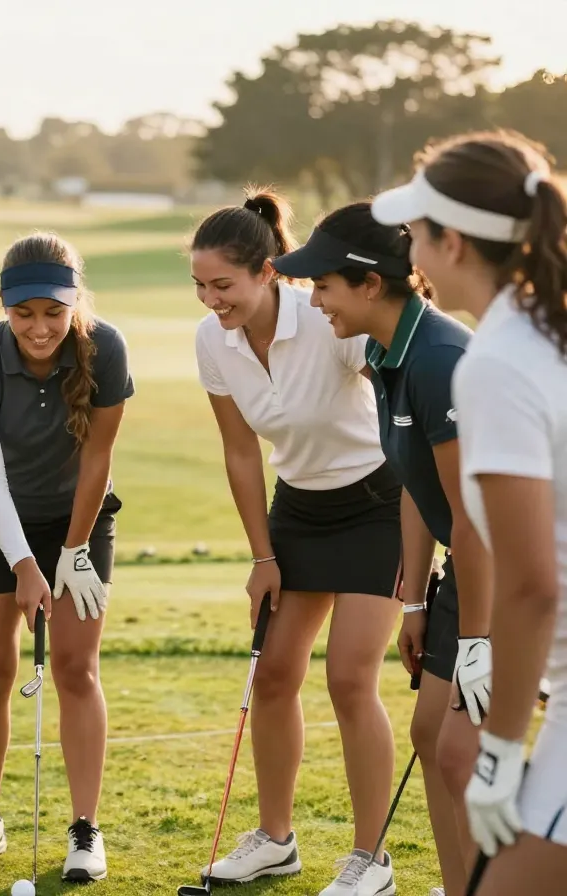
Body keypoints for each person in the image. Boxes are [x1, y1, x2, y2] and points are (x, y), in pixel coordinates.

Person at [270, 200, 493, 896]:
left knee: (461, 750)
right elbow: (415, 490)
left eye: (323, 285)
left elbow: (477, 518)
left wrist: (480, 640)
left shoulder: (439, 362)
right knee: (435, 740)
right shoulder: (381, 352)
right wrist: (415, 601)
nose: (314, 300)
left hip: (518, 572)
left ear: (369, 284)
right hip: (468, 571)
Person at [190, 190, 405, 896]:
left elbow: (401, 405)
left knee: (349, 677)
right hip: (299, 512)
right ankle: (276, 841)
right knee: (275, 674)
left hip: (376, 508)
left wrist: (425, 520)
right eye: (200, 286)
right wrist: (262, 555)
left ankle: (369, 858)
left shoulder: (328, 321)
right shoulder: (210, 341)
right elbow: (241, 453)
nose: (211, 300)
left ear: (267, 272)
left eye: (223, 284)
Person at [372, 128, 567, 896]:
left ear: (452, 242)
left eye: (416, 234)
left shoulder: (496, 363)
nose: (410, 255)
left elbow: (532, 587)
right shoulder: (542, 333)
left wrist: (497, 753)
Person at [0, 231, 134, 883]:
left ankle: (85, 831)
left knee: (76, 668)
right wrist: (26, 565)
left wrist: (74, 550)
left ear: (75, 301)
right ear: (3, 305)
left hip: (76, 516)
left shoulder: (104, 347)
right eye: (23, 313)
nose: (39, 327)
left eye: (54, 312)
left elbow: (98, 458)